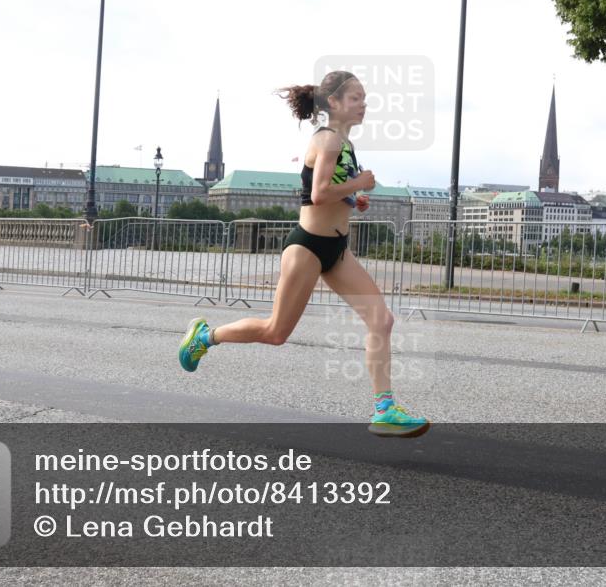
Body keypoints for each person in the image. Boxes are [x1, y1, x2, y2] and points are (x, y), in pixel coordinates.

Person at [177, 71, 430, 438]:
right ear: (334, 104)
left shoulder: (344, 143)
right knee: (275, 332)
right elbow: (317, 193)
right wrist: (358, 183)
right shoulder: (328, 140)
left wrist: (353, 198)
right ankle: (204, 336)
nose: (364, 104)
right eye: (356, 97)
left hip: (337, 250)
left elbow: (330, 191)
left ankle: (384, 409)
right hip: (308, 247)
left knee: (382, 321)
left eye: (364, 97)